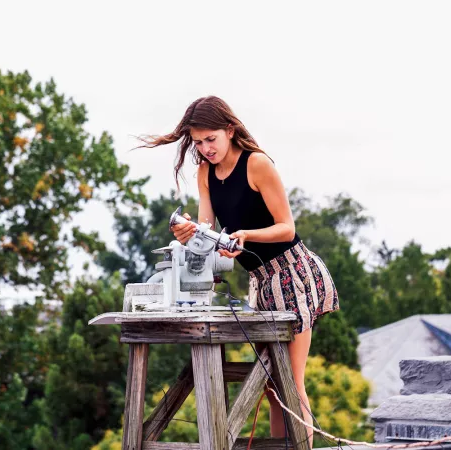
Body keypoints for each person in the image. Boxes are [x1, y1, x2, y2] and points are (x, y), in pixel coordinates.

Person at [140, 96, 339, 447]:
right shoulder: (205, 172)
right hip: (260, 282)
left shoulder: (257, 164)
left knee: (290, 383)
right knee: (274, 386)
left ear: (229, 130)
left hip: (293, 274)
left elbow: (287, 228)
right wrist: (189, 233)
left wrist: (246, 235)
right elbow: (206, 228)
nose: (205, 148)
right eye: (198, 142)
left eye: (211, 139)